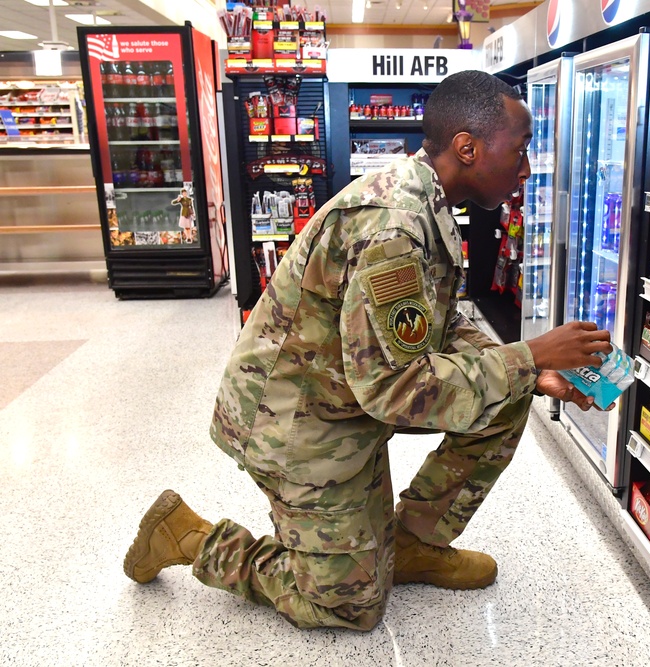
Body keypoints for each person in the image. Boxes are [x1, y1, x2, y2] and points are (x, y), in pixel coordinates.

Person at [122, 70, 613, 632]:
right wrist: (528, 356)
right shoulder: (393, 226)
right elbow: (396, 391)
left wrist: (535, 372)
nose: (526, 168)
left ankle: (411, 545)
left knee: (509, 393)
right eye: (521, 149)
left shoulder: (426, 200)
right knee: (348, 607)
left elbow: (441, 326)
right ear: (468, 147)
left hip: (345, 400)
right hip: (295, 427)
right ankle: (187, 535)